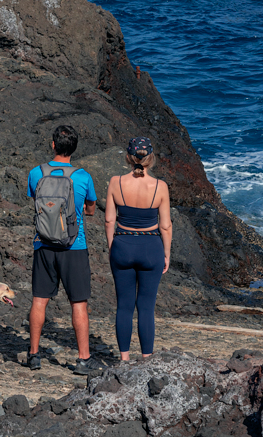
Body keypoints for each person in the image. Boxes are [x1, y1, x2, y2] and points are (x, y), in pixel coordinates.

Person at [27, 124, 99, 375]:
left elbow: (36, 202)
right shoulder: (83, 177)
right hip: (74, 246)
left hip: (43, 244)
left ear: (53, 144)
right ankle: (83, 359)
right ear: (74, 149)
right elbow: (90, 209)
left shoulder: (36, 173)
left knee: (39, 299)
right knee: (78, 303)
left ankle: (34, 355)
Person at [105, 136, 172, 361]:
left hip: (122, 245)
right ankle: (146, 360)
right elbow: (165, 225)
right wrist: (166, 254)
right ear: (150, 158)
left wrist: (112, 247)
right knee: (146, 307)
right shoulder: (160, 186)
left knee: (124, 306)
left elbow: (109, 221)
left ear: (128, 157)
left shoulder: (115, 182)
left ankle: (124, 359)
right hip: (150, 248)